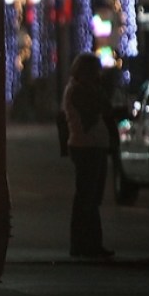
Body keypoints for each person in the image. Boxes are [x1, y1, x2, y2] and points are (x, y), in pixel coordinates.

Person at [61, 52, 114, 258]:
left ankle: (90, 244)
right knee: (87, 199)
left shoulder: (83, 89)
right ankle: (85, 245)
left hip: (93, 146)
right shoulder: (78, 91)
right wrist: (99, 94)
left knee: (91, 198)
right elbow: (95, 114)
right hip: (86, 148)